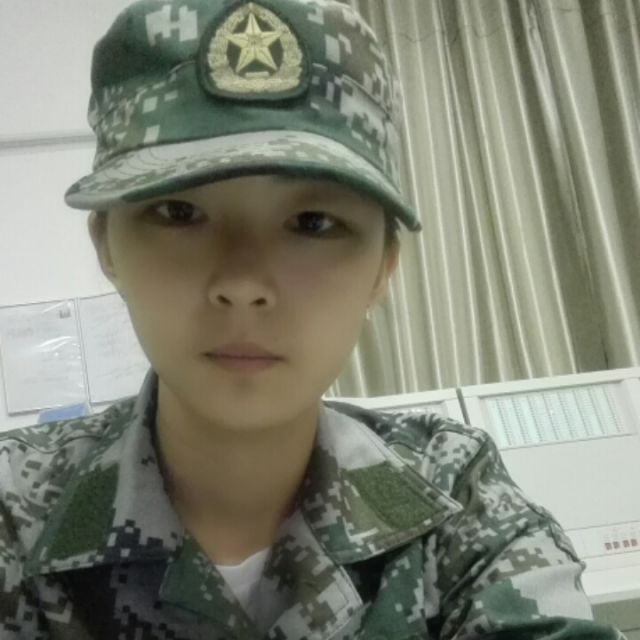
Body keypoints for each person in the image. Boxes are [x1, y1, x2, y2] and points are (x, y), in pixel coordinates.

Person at [0, 0, 626, 638]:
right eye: (180, 213)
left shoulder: (456, 500)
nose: (242, 285)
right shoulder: (15, 512)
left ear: (383, 267)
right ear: (106, 245)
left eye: (312, 223)